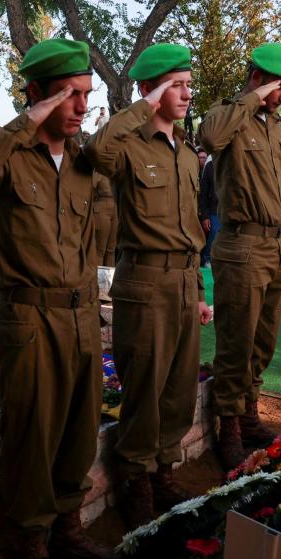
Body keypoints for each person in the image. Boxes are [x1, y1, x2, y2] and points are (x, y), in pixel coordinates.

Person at [0, 38, 116, 559]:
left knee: (77, 433)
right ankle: (31, 552)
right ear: (37, 94)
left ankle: (67, 532)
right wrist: (25, 121)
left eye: (87, 95)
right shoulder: (7, 156)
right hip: (27, 319)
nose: (82, 107)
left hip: (83, 315)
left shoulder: (87, 159)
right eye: (69, 95)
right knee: (31, 439)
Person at [85, 43, 212, 526]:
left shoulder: (186, 153)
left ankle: (162, 471)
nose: (186, 94)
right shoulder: (128, 147)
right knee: (145, 388)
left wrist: (199, 292)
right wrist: (141, 105)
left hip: (182, 279)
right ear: (151, 89)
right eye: (175, 85)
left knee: (179, 390)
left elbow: (192, 229)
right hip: (144, 281)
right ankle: (137, 479)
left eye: (187, 85)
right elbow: (96, 150)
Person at [198, 42, 281, 469]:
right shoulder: (231, 116)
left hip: (274, 244)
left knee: (264, 339)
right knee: (236, 341)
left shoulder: (276, 127)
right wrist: (253, 97)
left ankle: (249, 412)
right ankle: (229, 429)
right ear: (261, 80)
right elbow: (209, 136)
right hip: (240, 245)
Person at [199, 152, 218, 265]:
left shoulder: (237, 162)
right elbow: (203, 194)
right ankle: (207, 261)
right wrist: (205, 217)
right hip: (214, 213)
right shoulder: (210, 166)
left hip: (233, 214)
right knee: (212, 241)